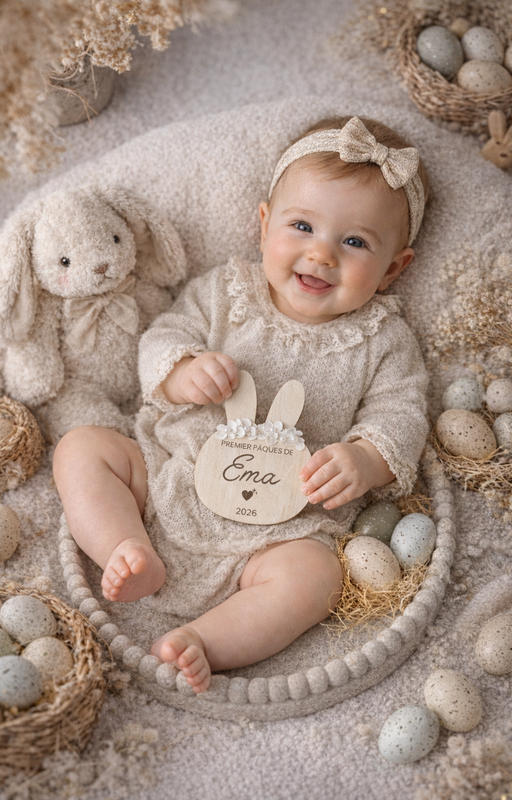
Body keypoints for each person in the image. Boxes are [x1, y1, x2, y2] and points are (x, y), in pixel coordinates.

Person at [53, 115, 430, 694]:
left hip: (280, 528)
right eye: (301, 225)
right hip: (166, 479)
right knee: (83, 448)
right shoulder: (224, 292)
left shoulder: (384, 339)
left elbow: (402, 416)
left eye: (354, 242)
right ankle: (125, 546)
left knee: (316, 577)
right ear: (263, 227)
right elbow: (159, 337)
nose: (321, 254)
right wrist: (181, 371)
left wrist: (364, 459)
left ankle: (206, 638)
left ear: (393, 269)